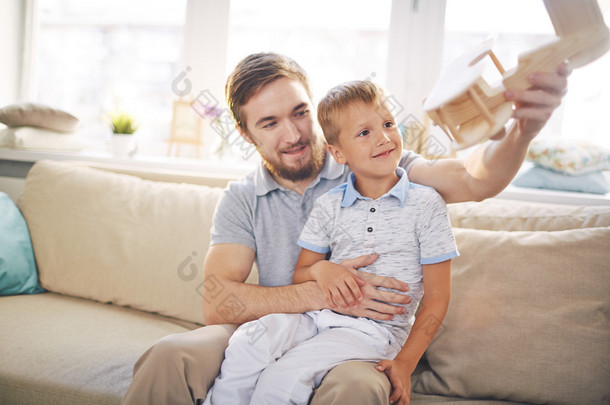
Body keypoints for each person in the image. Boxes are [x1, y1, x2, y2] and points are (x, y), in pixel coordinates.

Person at [121, 52, 570, 405]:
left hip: (358, 339)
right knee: (168, 357)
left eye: (299, 112)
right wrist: (325, 287)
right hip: (278, 327)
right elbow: (219, 304)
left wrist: (522, 131)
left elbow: (475, 179)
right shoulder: (242, 197)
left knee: (355, 390)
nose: (294, 133)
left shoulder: (374, 164)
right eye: (270, 123)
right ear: (246, 134)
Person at [202, 80, 459, 405]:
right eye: (364, 133)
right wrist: (323, 270)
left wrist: (405, 364)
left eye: (388, 124)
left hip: (375, 332)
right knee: (248, 342)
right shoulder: (330, 203)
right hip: (318, 315)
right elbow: (302, 272)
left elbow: (438, 298)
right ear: (338, 152)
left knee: (284, 375)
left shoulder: (427, 204)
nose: (383, 137)